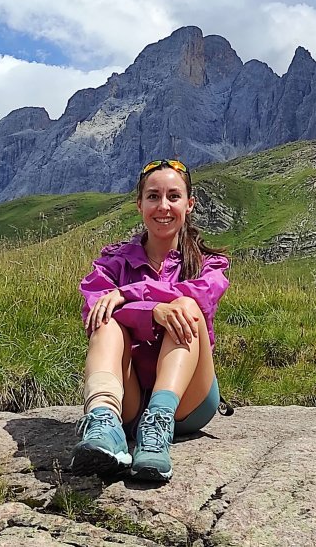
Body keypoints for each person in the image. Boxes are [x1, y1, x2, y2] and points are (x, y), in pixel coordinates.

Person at [71, 159, 229, 481]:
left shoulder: (210, 265)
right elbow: (93, 308)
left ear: (190, 204)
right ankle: (104, 422)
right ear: (139, 204)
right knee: (105, 320)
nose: (163, 206)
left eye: (174, 196)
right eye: (154, 196)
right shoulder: (112, 262)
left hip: (189, 402)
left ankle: (158, 424)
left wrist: (131, 296)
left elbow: (199, 300)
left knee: (185, 306)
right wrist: (150, 307)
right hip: (129, 399)